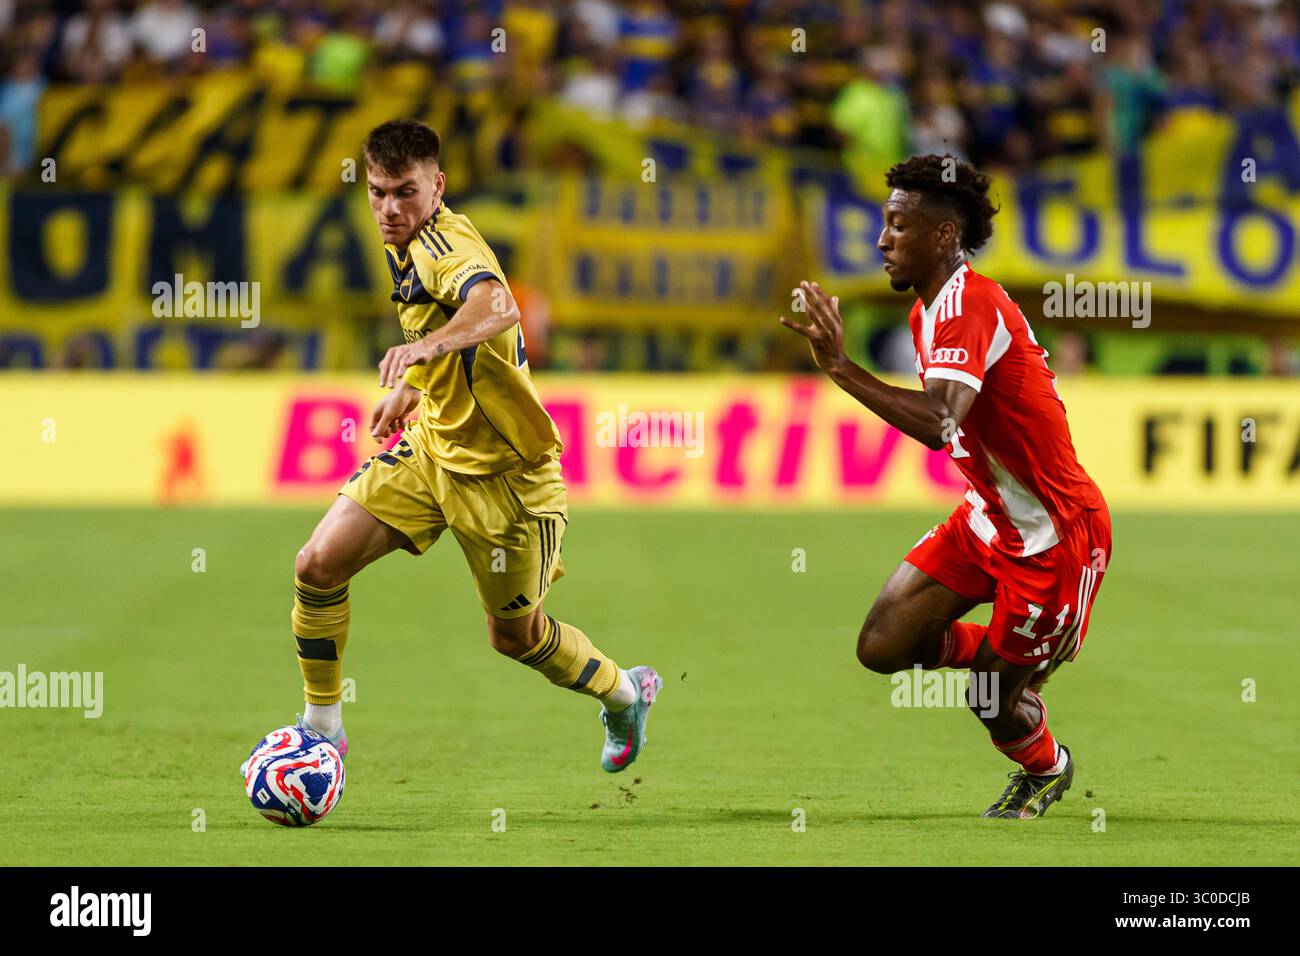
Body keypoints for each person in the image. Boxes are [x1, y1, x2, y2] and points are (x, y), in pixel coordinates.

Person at [244, 119, 661, 782]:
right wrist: (416, 383)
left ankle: (623, 692)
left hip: (508, 483)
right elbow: (447, 326)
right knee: (318, 564)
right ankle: (323, 731)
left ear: (437, 186)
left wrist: (423, 351)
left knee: (515, 639)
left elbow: (496, 307)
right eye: (377, 192)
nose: (388, 208)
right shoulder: (402, 239)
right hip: (434, 446)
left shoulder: (445, 240)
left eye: (404, 192)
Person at [780, 154, 1110, 819]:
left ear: (942, 236)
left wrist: (842, 370)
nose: (883, 239)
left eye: (899, 225)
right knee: (882, 647)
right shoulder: (929, 311)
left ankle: (1047, 764)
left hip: (1054, 537)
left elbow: (938, 423)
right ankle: (1019, 650)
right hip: (989, 519)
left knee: (989, 701)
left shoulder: (971, 304)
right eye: (884, 223)